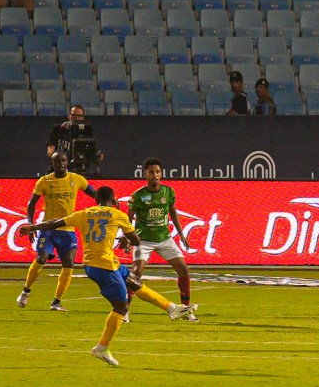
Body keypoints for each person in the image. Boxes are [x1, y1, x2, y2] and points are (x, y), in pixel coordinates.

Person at [19, 185, 195, 367]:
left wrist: (31, 227)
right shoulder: (117, 215)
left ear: (96, 200)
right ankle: (102, 347)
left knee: (134, 282)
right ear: (114, 199)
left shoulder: (84, 213)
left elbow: (53, 223)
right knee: (121, 306)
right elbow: (135, 240)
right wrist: (124, 235)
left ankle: (172, 309)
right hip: (103, 267)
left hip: (98, 264)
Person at [17, 151, 97, 311]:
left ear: (68, 162)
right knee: (41, 258)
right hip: (48, 229)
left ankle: (56, 302)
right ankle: (26, 291)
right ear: (52, 163)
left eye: (64, 160)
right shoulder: (44, 182)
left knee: (69, 264)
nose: (61, 163)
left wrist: (108, 202)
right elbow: (31, 204)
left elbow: (95, 194)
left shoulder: (77, 179)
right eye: (57, 161)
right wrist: (31, 224)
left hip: (67, 229)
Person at [122, 157, 195, 323]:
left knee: (183, 269)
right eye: (151, 172)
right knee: (136, 274)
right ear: (145, 174)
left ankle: (186, 310)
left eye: (157, 172)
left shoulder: (168, 192)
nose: (155, 175)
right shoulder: (138, 196)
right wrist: (128, 238)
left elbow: (173, 212)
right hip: (144, 240)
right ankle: (124, 311)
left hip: (164, 239)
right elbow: (129, 219)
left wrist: (181, 234)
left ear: (161, 174)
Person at [47, 104, 103, 174]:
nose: (76, 118)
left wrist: (98, 156)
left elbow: (95, 151)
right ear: (69, 116)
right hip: (59, 171)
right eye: (73, 115)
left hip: (80, 170)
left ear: (82, 118)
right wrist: (58, 161)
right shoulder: (57, 130)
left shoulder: (87, 132)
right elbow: (50, 151)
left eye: (79, 116)